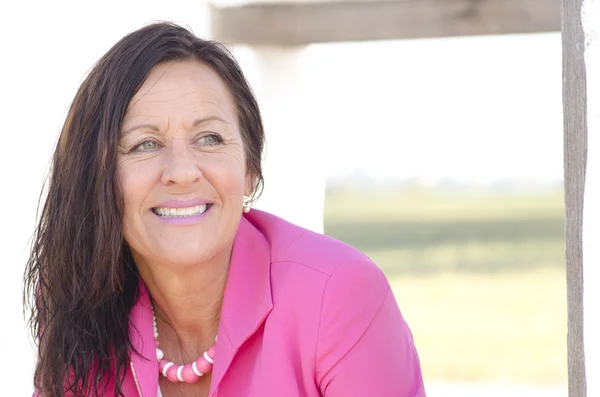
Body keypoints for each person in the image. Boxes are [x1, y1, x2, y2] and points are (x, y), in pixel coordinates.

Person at [24, 22, 425, 397]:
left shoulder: (339, 295)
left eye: (210, 138)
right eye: (145, 144)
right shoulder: (77, 299)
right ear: (96, 178)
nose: (182, 172)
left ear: (250, 170)